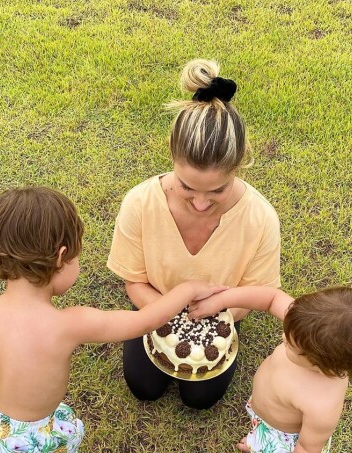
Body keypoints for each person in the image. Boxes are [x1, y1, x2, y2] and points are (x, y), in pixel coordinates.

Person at [0, 186, 225, 453]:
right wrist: (187, 289)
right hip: (29, 437)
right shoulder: (68, 324)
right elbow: (144, 321)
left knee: (3, 450)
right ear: (61, 256)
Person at [107, 59, 281, 409]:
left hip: (220, 317)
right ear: (171, 155)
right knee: (144, 386)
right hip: (153, 304)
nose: (200, 204)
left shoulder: (260, 218)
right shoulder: (140, 203)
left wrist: (210, 318)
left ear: (239, 165)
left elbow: (252, 295)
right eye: (187, 187)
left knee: (201, 397)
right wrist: (167, 315)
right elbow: (135, 282)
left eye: (217, 191)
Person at [189, 285, 352, 453]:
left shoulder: (322, 403)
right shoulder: (307, 326)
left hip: (282, 442)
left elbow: (307, 450)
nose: (284, 335)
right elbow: (271, 298)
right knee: (259, 434)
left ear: (322, 363)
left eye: (290, 344)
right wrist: (221, 300)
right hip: (264, 415)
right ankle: (257, 441)